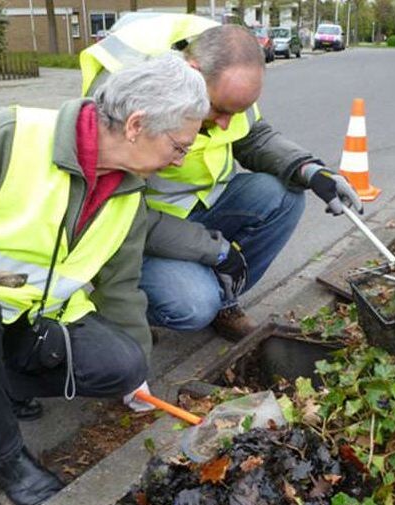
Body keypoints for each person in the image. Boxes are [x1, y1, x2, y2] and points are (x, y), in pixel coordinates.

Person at [0, 54, 209, 505]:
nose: (179, 160)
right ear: (135, 125)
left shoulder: (128, 189)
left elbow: (121, 285)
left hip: (31, 315)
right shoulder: (11, 136)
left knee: (121, 365)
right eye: (179, 146)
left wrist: (137, 377)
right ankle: (2, 457)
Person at [80, 15, 363, 342]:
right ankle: (123, 310)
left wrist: (310, 171)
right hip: (135, 230)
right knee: (193, 305)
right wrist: (215, 251)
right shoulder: (125, 93)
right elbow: (119, 213)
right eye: (218, 110)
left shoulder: (224, 64)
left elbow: (254, 136)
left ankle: (223, 302)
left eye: (236, 112)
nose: (226, 125)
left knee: (283, 196)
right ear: (193, 74)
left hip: (198, 210)